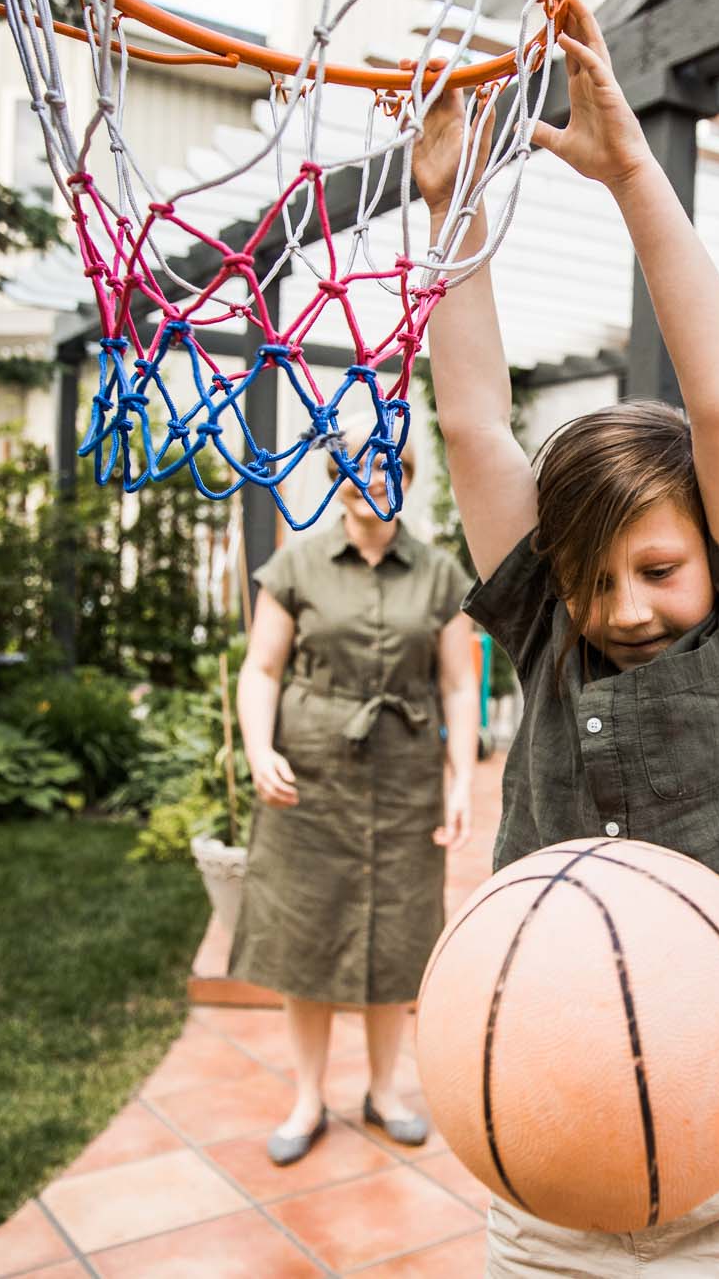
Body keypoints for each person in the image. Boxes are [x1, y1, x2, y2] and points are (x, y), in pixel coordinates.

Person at [413, 0, 719, 1276]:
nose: (623, 606)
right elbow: (474, 426)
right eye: (591, 579)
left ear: (714, 547)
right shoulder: (547, 632)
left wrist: (629, 176)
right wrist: (451, 213)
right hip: (547, 1135)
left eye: (657, 569)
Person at [230, 439, 479, 1166]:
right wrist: (258, 749)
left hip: (404, 778)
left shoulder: (439, 573)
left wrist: (462, 779)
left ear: (406, 479)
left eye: (386, 466)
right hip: (309, 776)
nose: (370, 478)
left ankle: (384, 1092)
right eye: (356, 466)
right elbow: (262, 668)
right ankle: (308, 1099)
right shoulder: (296, 567)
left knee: (396, 932)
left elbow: (458, 684)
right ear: (336, 479)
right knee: (305, 932)